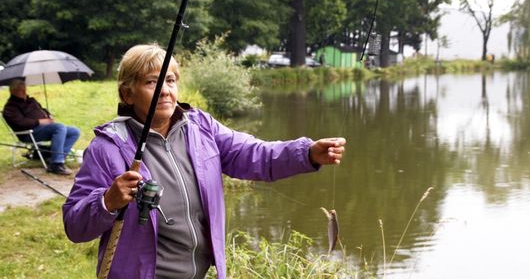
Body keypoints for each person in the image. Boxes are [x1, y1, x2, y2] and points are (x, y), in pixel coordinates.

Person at [62, 44, 346, 279]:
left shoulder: (200, 127)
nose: (164, 90)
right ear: (128, 93)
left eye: (170, 80)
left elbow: (253, 154)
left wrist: (306, 153)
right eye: (152, 82)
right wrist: (107, 201)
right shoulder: (107, 148)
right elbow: (74, 224)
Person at [2, 79, 80, 175]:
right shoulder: (10, 107)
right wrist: (39, 121)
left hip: (45, 128)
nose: (24, 92)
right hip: (29, 133)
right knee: (59, 127)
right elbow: (21, 123)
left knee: (74, 131)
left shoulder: (31, 100)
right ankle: (56, 164)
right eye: (21, 90)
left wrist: (48, 115)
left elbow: (42, 109)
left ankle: (53, 156)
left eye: (24, 89)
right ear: (13, 91)